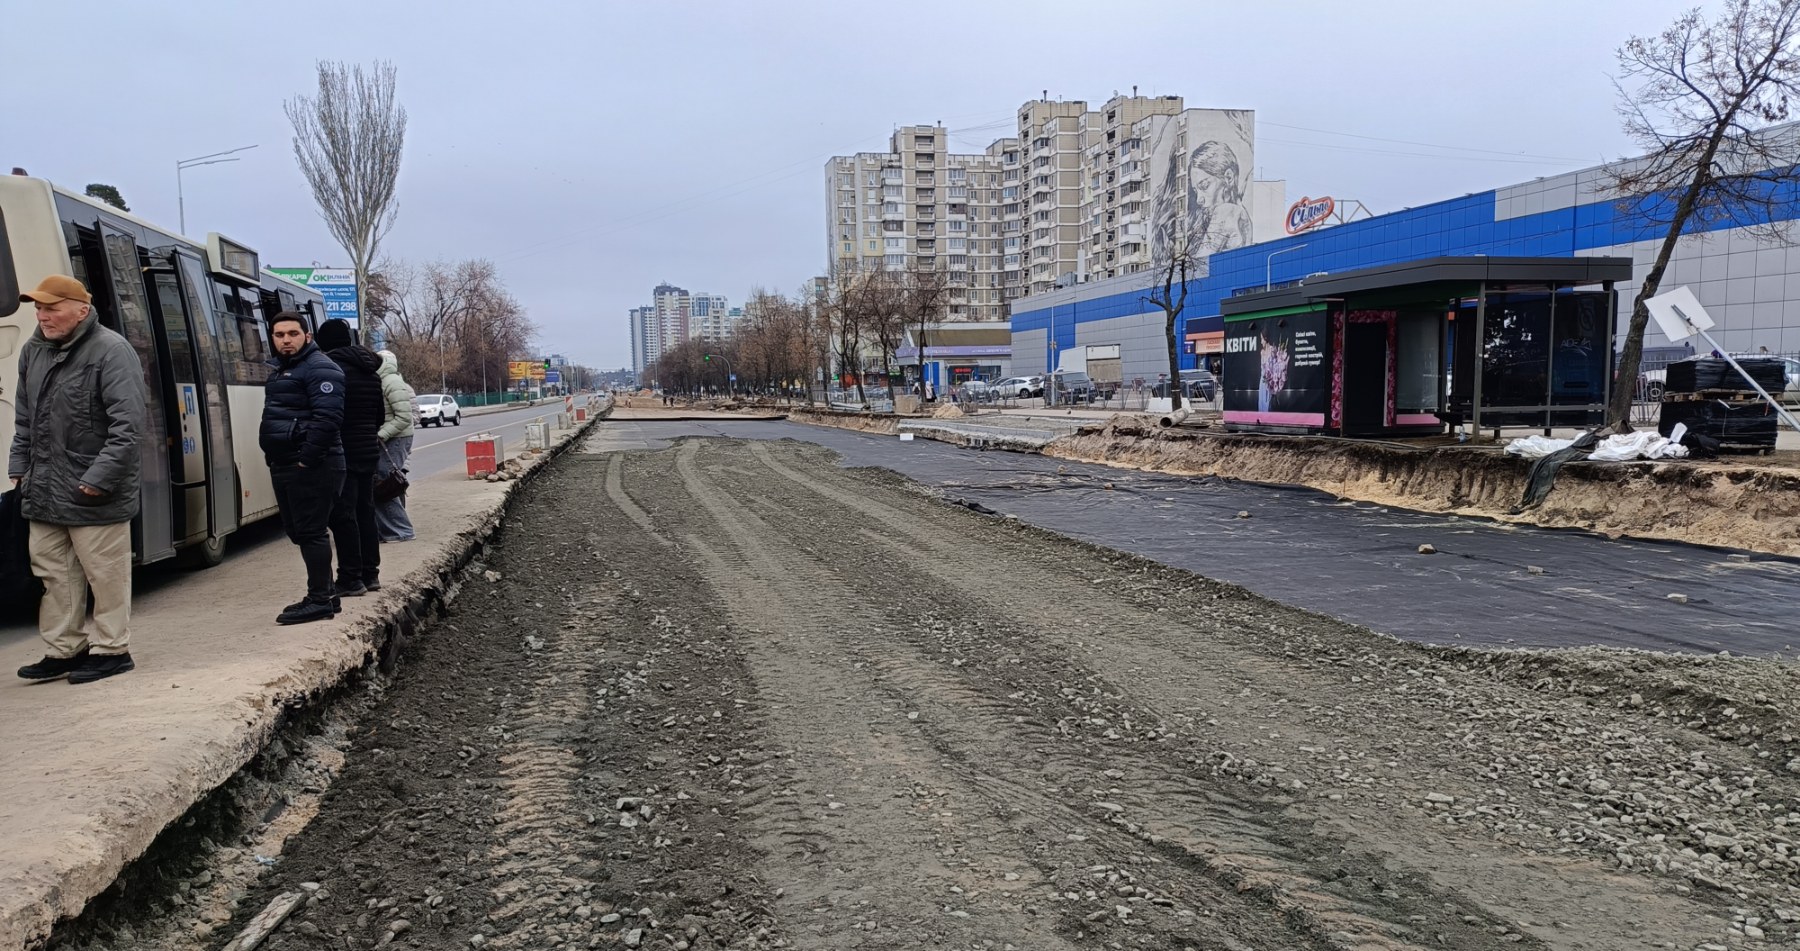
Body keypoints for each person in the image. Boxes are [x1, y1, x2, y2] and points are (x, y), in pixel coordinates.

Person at [10, 275, 146, 683]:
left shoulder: (111, 350)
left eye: (52, 308)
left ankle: (113, 650)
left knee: (106, 574)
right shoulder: (33, 350)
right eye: (39, 308)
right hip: (44, 487)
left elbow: (128, 427)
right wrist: (18, 467)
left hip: (94, 490)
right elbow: (25, 417)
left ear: (81, 310)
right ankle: (65, 649)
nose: (42, 316)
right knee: (53, 574)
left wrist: (99, 478)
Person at [261, 312, 345, 624]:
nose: (286, 340)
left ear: (307, 336)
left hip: (312, 464)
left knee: (311, 531)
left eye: (293, 334)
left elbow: (328, 418)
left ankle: (319, 599)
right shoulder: (284, 369)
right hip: (287, 462)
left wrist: (306, 459)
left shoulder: (319, 367)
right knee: (299, 531)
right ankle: (327, 594)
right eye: (279, 334)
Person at [314, 320, 383, 593]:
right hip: (368, 451)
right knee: (366, 511)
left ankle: (351, 577)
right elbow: (379, 417)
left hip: (342, 452)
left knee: (344, 515)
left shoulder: (330, 371)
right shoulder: (371, 372)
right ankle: (371, 574)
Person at [374, 349, 416, 543]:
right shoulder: (385, 380)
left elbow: (404, 417)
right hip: (394, 437)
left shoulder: (390, 381)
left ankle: (401, 531)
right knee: (387, 482)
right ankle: (391, 530)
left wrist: (380, 435)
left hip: (395, 438)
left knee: (386, 483)